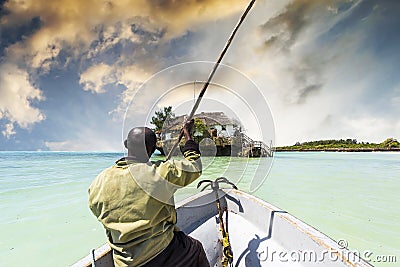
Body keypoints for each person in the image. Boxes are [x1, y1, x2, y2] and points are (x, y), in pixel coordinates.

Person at [88, 120, 209, 267]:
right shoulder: (163, 172)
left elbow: (96, 210)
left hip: (124, 262)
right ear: (152, 150)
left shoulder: (98, 182)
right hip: (162, 252)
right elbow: (194, 165)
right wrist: (187, 135)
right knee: (196, 248)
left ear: (126, 145)